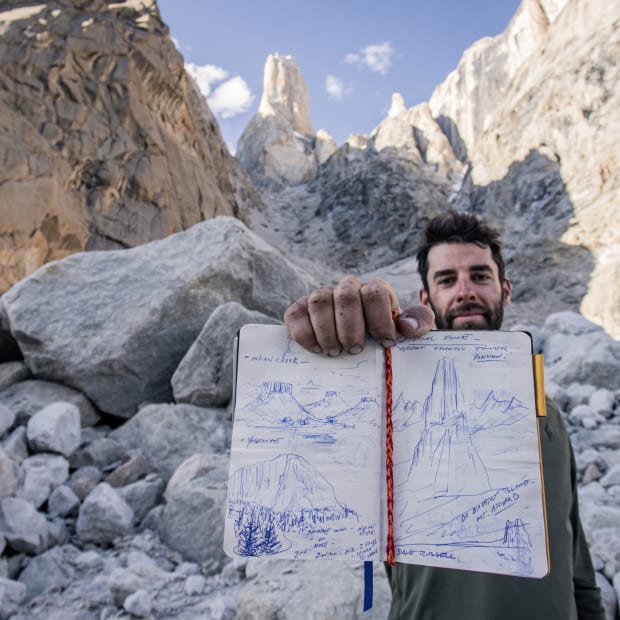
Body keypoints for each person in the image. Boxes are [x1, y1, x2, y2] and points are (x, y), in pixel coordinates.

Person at [284, 211, 604, 619]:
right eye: (447, 280)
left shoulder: (547, 413)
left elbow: (574, 556)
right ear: (425, 299)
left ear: (505, 290)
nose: (466, 291)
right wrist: (336, 345)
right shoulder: (391, 405)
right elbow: (320, 434)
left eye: (480, 276)